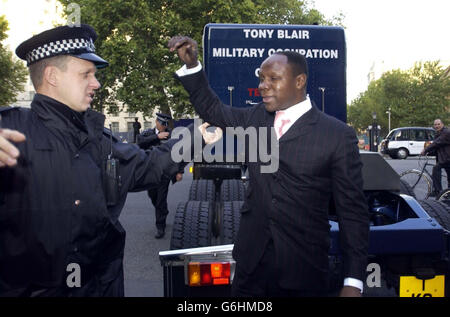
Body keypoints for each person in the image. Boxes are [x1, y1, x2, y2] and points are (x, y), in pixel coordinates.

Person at [0, 24, 197, 297]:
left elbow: (148, 167)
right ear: (52, 76)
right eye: (86, 74)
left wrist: (194, 138)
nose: (96, 83)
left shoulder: (97, 138)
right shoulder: (10, 134)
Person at [168, 36, 369, 297]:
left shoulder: (337, 135)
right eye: (261, 79)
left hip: (303, 273)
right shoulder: (255, 118)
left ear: (299, 82)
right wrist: (194, 65)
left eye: (273, 79)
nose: (263, 86)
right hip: (250, 271)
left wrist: (353, 281)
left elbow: (352, 213)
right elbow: (212, 109)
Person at [137, 113, 183, 239]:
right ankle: (163, 211)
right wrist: (157, 137)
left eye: (166, 124)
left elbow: (179, 153)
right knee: (153, 196)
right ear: (157, 122)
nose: (164, 126)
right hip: (150, 172)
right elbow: (139, 142)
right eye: (162, 124)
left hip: (165, 173)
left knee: (161, 199)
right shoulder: (148, 133)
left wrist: (180, 171)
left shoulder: (172, 134)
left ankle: (160, 227)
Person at [422, 119, 450, 196]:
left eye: (438, 124)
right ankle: (445, 193)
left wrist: (425, 150)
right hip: (445, 158)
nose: (437, 126)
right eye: (435, 125)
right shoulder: (439, 133)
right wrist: (429, 152)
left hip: (447, 159)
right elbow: (438, 146)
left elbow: (437, 143)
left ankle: (438, 191)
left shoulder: (446, 133)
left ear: (442, 124)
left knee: (436, 169)